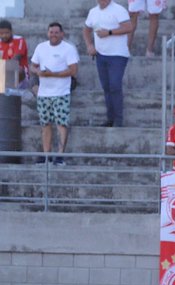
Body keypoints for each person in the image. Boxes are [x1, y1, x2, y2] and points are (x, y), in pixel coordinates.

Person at [29, 22, 79, 166]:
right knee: (45, 125)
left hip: (61, 93)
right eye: (51, 32)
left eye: (57, 32)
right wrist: (38, 72)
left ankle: (60, 156)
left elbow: (74, 70)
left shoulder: (69, 49)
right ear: (47, 33)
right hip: (44, 93)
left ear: (62, 34)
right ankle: (47, 156)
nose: (54, 35)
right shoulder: (41, 47)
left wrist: (53, 74)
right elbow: (33, 65)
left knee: (61, 124)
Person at [83, 0, 133, 127]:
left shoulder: (119, 9)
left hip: (117, 54)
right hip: (100, 54)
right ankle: (110, 118)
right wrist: (89, 45)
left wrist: (109, 32)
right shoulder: (93, 12)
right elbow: (86, 29)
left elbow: (128, 27)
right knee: (106, 87)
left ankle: (118, 120)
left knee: (115, 86)